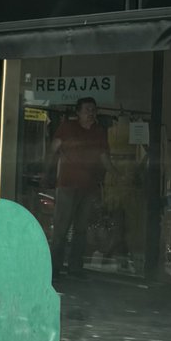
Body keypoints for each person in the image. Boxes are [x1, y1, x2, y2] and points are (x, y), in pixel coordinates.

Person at [47, 96, 112, 280]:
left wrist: (115, 173)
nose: (91, 113)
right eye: (87, 110)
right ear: (78, 112)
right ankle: (54, 268)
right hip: (67, 184)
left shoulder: (99, 131)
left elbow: (103, 156)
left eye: (93, 110)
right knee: (61, 228)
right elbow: (53, 149)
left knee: (81, 229)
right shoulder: (67, 127)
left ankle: (75, 267)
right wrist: (47, 172)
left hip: (88, 185)